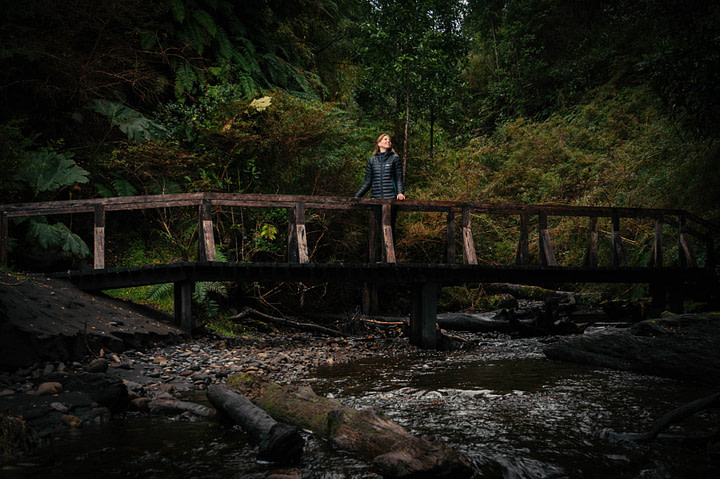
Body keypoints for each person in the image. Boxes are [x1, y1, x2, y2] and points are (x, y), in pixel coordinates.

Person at [355, 133, 405, 242]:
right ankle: (383, 257)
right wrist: (357, 196)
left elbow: (398, 178)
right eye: (385, 139)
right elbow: (368, 182)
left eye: (389, 140)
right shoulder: (372, 160)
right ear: (378, 143)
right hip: (376, 199)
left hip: (390, 198)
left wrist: (400, 193)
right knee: (380, 229)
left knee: (390, 228)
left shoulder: (394, 158)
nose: (388, 141)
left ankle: (390, 258)